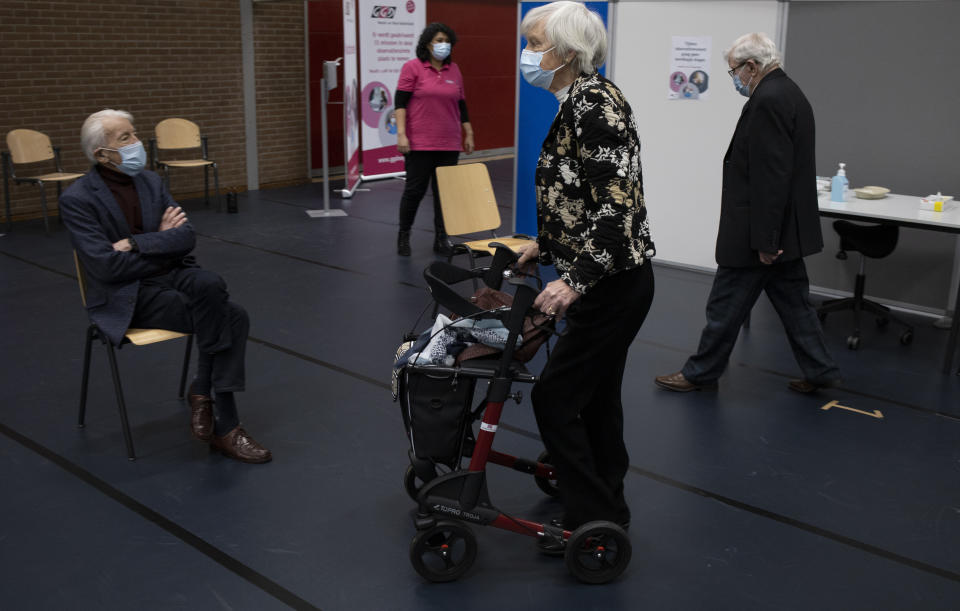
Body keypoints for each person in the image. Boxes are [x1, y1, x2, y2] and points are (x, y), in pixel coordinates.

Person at [514, 1, 656, 553]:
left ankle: (591, 519)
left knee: (556, 399)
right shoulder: (575, 101)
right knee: (596, 397)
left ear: (569, 53)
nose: (529, 55)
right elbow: (581, 197)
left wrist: (572, 281)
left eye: (537, 44)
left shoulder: (596, 105)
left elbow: (616, 210)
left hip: (612, 285)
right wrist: (545, 244)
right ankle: (607, 500)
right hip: (605, 277)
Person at [60, 109, 272, 463]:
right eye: (124, 138)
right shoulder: (77, 199)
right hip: (128, 295)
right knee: (232, 317)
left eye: (134, 133)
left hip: (170, 275)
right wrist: (160, 240)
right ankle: (227, 424)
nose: (136, 143)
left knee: (211, 284)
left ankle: (203, 392)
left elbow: (186, 237)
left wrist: (135, 243)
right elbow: (107, 268)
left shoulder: (151, 182)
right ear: (101, 154)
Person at [655, 33, 840, 395]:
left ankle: (700, 373)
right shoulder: (790, 92)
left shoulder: (768, 100)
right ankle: (820, 369)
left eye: (734, 71)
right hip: (783, 230)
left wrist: (766, 241)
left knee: (724, 306)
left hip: (760, 234)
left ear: (751, 66)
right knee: (795, 305)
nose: (735, 78)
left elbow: (771, 177)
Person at [395, 22, 474, 257]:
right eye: (438, 40)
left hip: (449, 143)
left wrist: (468, 132)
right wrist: (401, 134)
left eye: (446, 41)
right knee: (414, 191)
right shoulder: (412, 68)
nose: (443, 45)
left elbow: (461, 104)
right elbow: (400, 103)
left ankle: (442, 239)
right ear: (428, 44)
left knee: (445, 195)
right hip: (419, 143)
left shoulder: (455, 70)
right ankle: (403, 236)